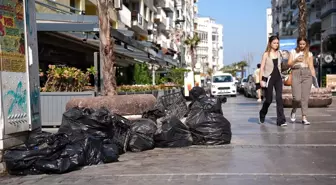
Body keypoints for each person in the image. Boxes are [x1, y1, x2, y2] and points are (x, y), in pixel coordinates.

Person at [259, 36, 287, 127]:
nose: (276, 44)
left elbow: (285, 63)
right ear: (270, 43)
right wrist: (261, 80)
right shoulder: (266, 54)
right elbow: (262, 68)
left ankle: (281, 120)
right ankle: (262, 113)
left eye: (277, 43)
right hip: (269, 78)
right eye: (274, 43)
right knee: (269, 100)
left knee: (279, 98)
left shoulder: (279, 53)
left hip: (278, 78)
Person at [287, 37, 316, 125]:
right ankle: (294, 110)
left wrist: (314, 79)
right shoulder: (293, 52)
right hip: (296, 72)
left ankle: (304, 117)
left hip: (307, 74)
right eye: (300, 44)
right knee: (297, 98)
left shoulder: (309, 54)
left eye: (303, 44)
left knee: (305, 98)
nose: (302, 46)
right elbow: (289, 64)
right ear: (298, 44)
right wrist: (296, 60)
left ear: (306, 44)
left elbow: (311, 66)